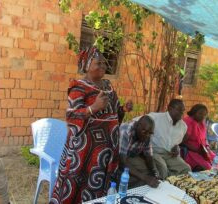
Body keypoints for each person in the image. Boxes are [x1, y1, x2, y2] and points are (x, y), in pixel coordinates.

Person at [50, 47, 132, 204]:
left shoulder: (108, 85)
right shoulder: (78, 87)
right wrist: (92, 108)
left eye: (104, 63)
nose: (102, 66)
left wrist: (123, 109)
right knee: (80, 188)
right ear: (86, 65)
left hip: (107, 151)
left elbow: (113, 114)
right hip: (85, 153)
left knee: (101, 187)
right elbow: (71, 117)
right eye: (98, 63)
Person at [147, 99, 191, 179]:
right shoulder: (155, 118)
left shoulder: (183, 126)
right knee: (163, 169)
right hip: (155, 152)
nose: (181, 113)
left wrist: (177, 147)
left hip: (170, 154)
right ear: (170, 108)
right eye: (179, 110)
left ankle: (175, 187)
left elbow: (177, 142)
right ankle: (165, 185)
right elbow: (135, 123)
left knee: (186, 169)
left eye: (183, 111)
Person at [119, 115, 160, 188]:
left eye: (150, 133)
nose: (147, 135)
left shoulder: (147, 134)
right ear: (137, 125)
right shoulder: (125, 131)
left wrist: (154, 171)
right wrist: (145, 178)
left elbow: (149, 156)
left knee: (156, 170)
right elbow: (122, 162)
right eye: (144, 131)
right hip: (118, 158)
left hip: (131, 156)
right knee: (142, 176)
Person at [182, 104, 218, 171]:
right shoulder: (188, 122)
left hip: (203, 151)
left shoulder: (201, 123)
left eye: (204, 115)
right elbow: (181, 141)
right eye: (200, 114)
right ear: (194, 112)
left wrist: (206, 147)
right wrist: (196, 149)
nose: (202, 116)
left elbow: (204, 138)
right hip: (191, 152)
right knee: (208, 167)